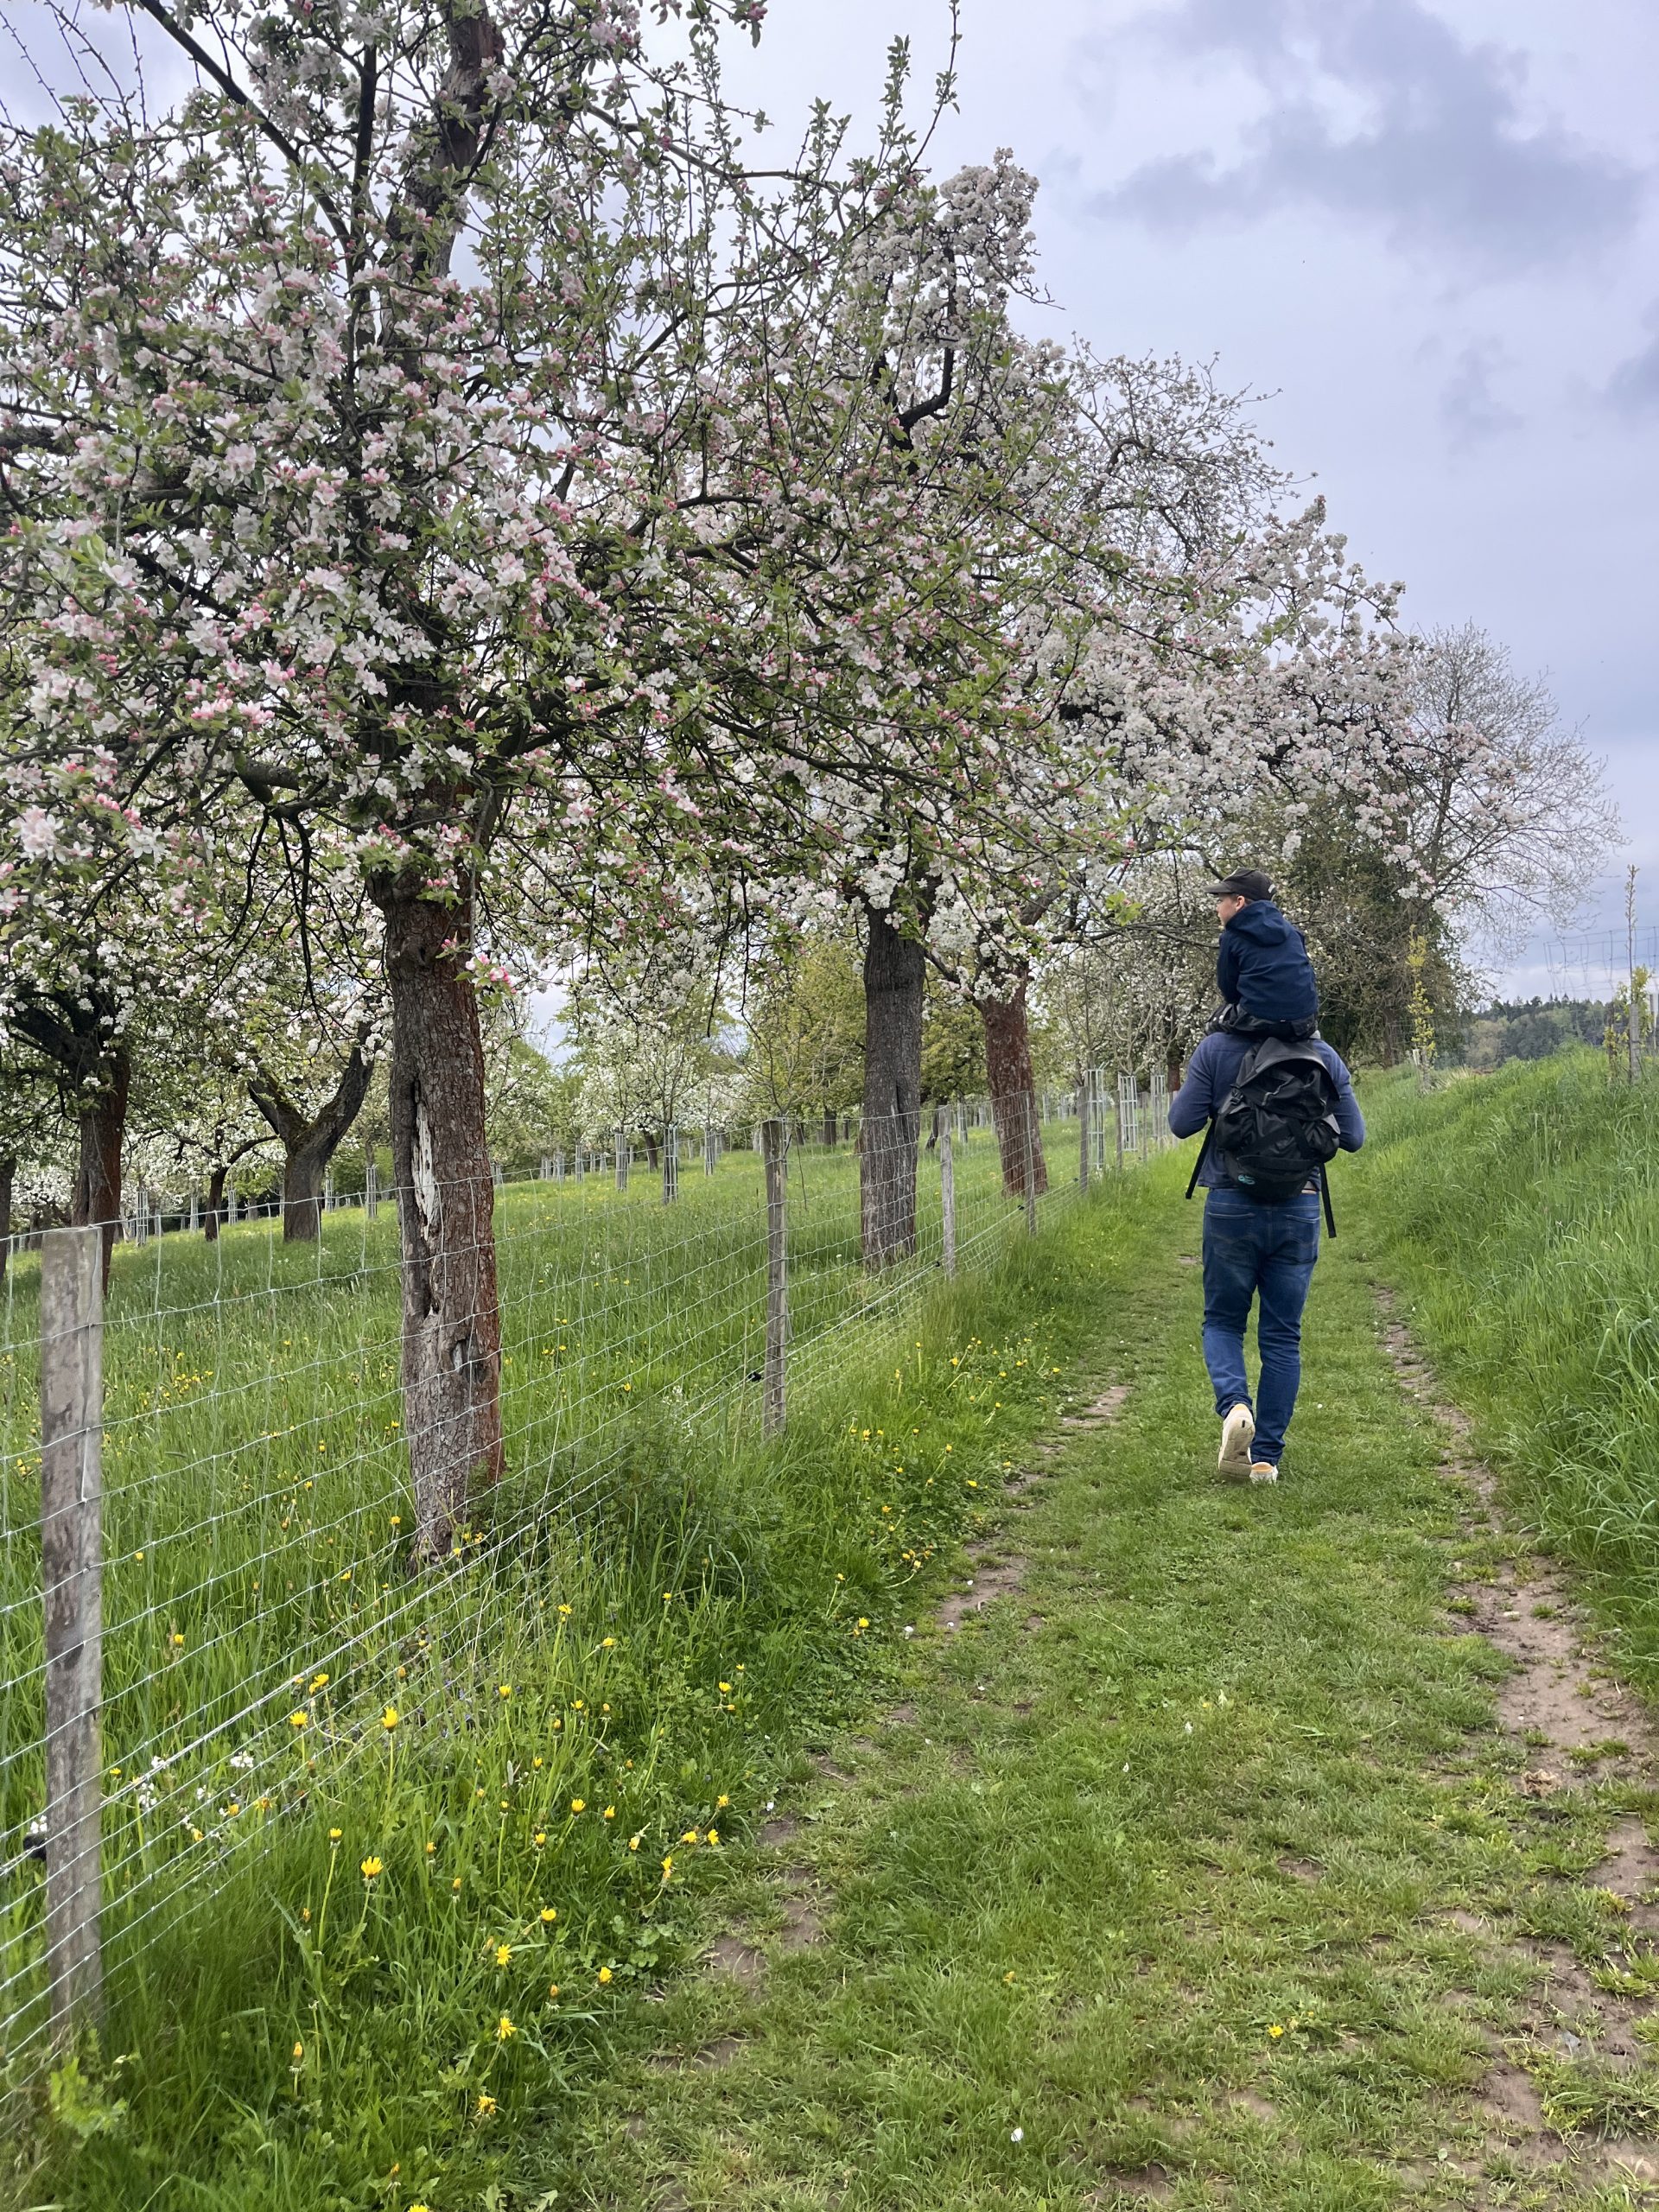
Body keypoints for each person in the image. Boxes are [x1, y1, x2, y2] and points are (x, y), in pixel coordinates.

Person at [1167, 1012, 1365, 1485]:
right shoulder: (1322, 1054)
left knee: (1223, 1320)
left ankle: (1236, 1406)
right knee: (1282, 1336)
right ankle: (1264, 1460)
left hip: (1231, 1204)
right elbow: (1354, 1138)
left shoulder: (1216, 1050)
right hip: (1300, 1207)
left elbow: (1181, 1124)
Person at [1210, 868, 1319, 1039]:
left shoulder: (1232, 936)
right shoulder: (1293, 933)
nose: (1217, 908)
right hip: (1303, 1022)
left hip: (1259, 1020)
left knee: (1215, 1023)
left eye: (1221, 901)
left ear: (1239, 902)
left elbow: (1229, 991)